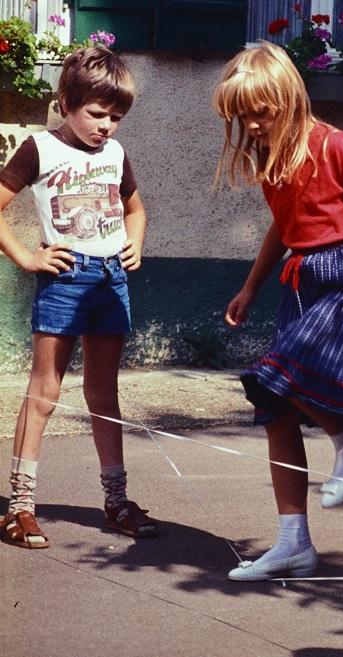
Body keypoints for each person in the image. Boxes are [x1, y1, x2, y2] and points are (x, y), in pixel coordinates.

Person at [212, 42, 343, 581]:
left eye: (260, 111)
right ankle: (293, 542)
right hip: (299, 279)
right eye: (241, 116)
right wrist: (250, 287)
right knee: (275, 407)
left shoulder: (335, 145)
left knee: (277, 377)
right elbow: (283, 227)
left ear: (289, 97)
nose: (251, 124)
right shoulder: (273, 158)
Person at [0, 46, 155, 548]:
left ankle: (116, 498)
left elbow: (135, 210)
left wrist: (135, 242)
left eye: (117, 117)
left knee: (103, 393)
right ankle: (19, 506)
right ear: (66, 101)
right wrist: (27, 257)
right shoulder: (38, 149)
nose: (106, 126)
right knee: (43, 391)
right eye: (96, 113)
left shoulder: (114, 154)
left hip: (110, 280)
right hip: (65, 277)